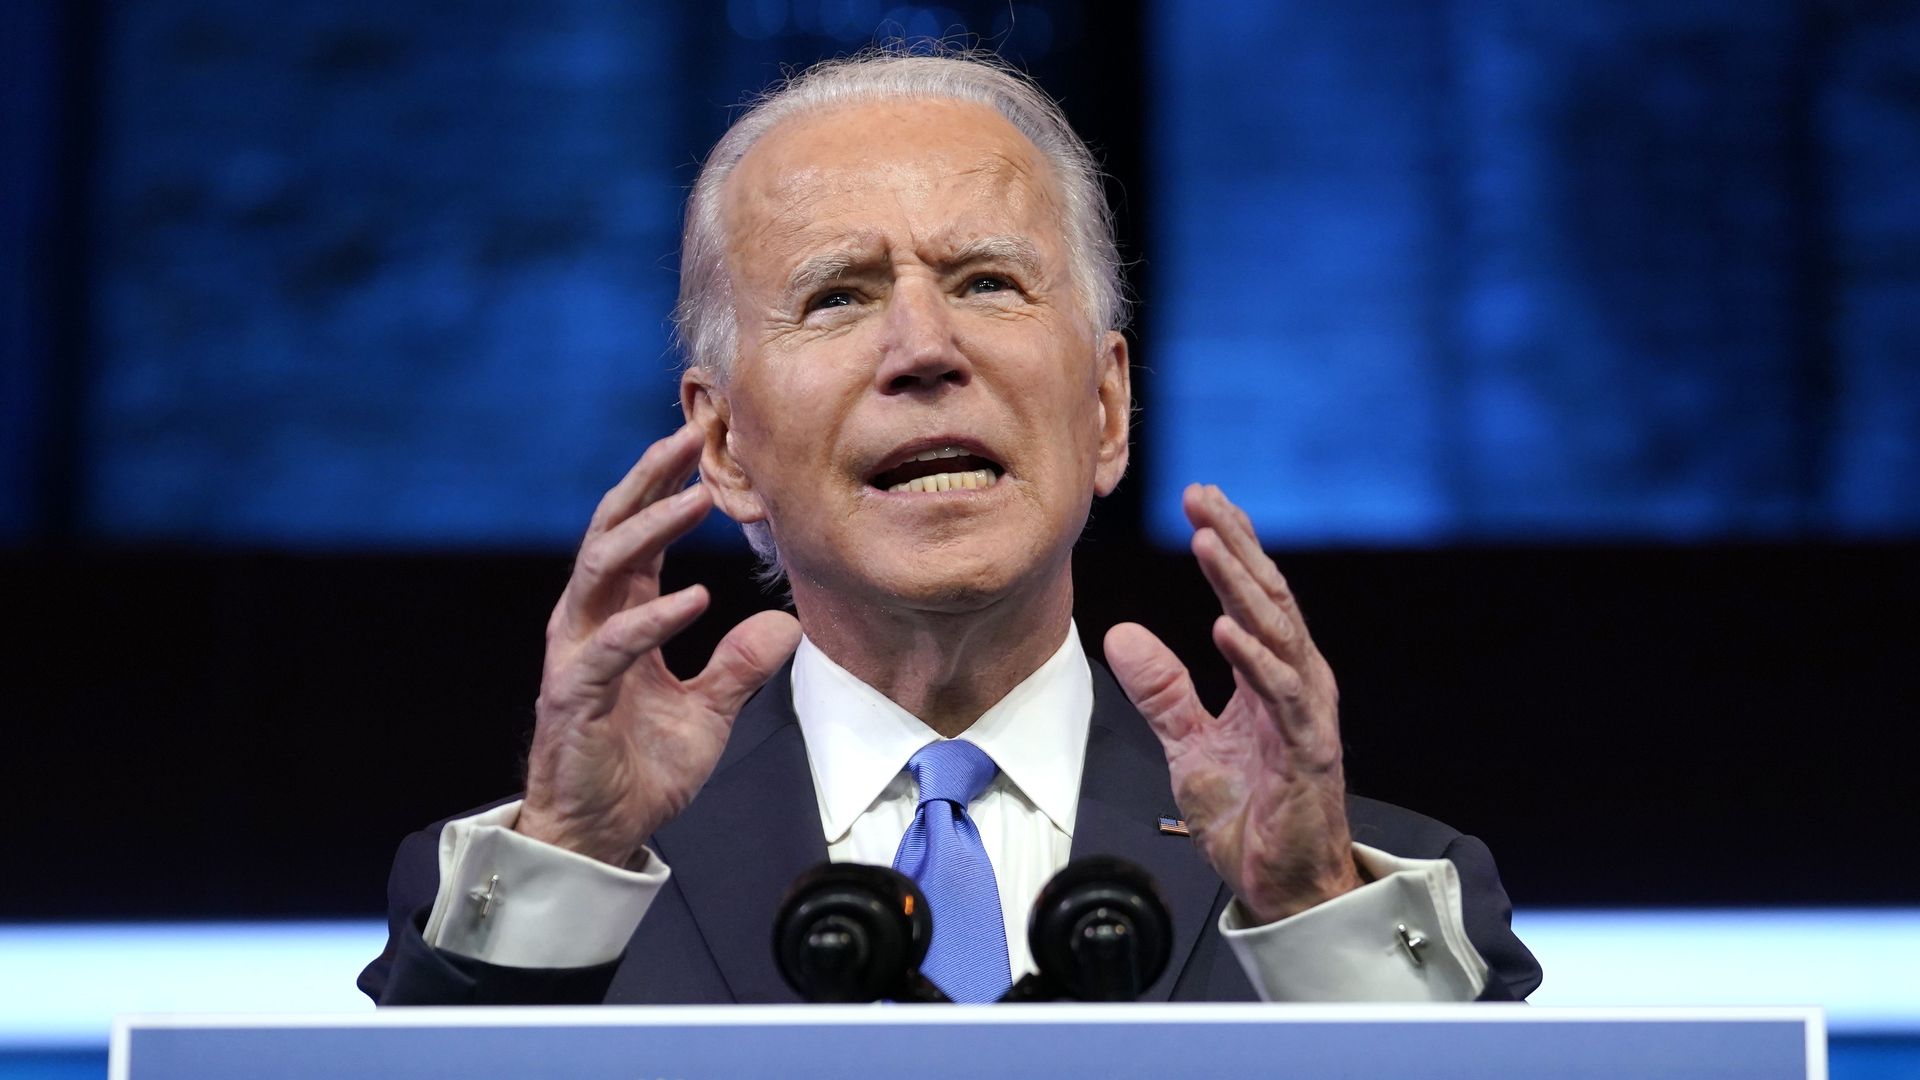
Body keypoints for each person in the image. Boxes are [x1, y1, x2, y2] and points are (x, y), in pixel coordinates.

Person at [360, 50, 1541, 1006]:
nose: (925, 350)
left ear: (1106, 406)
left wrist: (1309, 909)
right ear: (724, 447)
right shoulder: (559, 876)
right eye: (838, 296)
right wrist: (573, 850)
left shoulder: (1368, 888)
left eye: (985, 282)